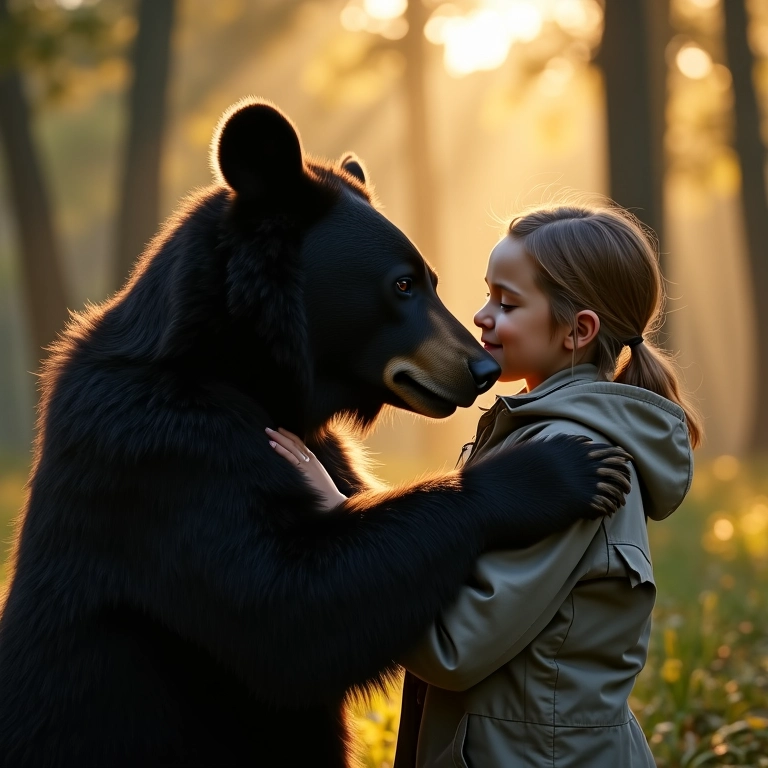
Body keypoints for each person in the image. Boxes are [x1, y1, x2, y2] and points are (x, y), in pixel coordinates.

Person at [268, 203, 701, 767]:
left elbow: (457, 647)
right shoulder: (531, 435)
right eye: (488, 294)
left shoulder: (569, 458)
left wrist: (346, 520)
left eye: (508, 303)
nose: (480, 316)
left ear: (579, 329)